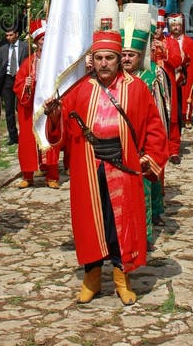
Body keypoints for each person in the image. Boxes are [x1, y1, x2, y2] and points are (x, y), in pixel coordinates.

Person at [44, 30, 168, 306]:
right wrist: (54, 114)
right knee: (90, 223)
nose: (103, 63)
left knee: (119, 225)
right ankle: (92, 279)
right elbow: (61, 128)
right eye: (98, 57)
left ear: (118, 59)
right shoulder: (79, 89)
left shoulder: (136, 88)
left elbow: (154, 129)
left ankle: (122, 280)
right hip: (87, 165)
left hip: (122, 166)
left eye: (109, 58)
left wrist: (151, 157)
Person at [120, 11, 170, 242]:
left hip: (143, 143)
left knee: (147, 189)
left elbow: (159, 113)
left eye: (131, 55)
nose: (127, 59)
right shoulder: (114, 79)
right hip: (120, 145)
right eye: (123, 55)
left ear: (140, 56)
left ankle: (145, 235)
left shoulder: (152, 78)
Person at [13, 19, 61, 189]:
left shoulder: (55, 62)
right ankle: (28, 175)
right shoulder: (28, 62)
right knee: (28, 142)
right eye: (42, 39)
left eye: (47, 38)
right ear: (36, 42)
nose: (45, 42)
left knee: (50, 141)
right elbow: (17, 85)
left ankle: (52, 176)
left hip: (48, 108)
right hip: (31, 109)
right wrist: (25, 84)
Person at [151, 10, 183, 165]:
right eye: (154, 27)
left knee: (172, 116)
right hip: (151, 84)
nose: (157, 30)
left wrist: (164, 51)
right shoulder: (146, 43)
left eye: (159, 27)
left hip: (168, 85)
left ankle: (173, 149)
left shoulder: (171, 42)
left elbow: (177, 62)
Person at [166, 12, 193, 130]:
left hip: (185, 73)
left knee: (187, 96)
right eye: (173, 26)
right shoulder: (166, 41)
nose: (176, 28)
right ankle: (174, 117)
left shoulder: (189, 41)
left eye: (178, 25)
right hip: (172, 72)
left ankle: (187, 117)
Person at [0, 24, 28, 145]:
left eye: (11, 35)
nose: (8, 37)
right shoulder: (3, 49)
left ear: (17, 34)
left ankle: (25, 133)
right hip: (7, 80)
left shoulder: (26, 46)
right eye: (6, 35)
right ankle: (13, 137)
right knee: (9, 110)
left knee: (21, 108)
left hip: (21, 79)